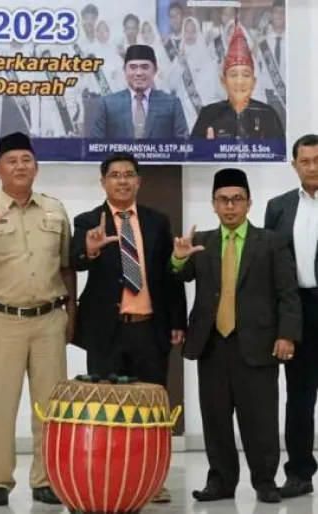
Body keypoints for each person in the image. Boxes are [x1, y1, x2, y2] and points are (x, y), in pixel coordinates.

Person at [0, 132, 76, 507]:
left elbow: (67, 265)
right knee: (0, 405)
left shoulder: (55, 209)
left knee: (51, 405)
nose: (20, 166)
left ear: (36, 167)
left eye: (27, 160)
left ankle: (46, 478)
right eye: (12, 161)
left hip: (49, 318)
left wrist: (71, 314)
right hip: (3, 320)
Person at [171, 168, 301, 504]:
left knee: (260, 417)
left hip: (258, 343)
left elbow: (288, 293)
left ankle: (265, 481)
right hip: (212, 343)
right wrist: (178, 259)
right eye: (223, 200)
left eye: (237, 200)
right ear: (213, 204)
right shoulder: (202, 242)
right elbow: (180, 276)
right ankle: (220, 481)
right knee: (215, 417)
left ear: (248, 203)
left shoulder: (271, 242)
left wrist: (287, 335)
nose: (230, 206)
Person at [69, 152, 187, 504]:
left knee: (151, 413)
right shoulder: (88, 220)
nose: (122, 181)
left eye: (128, 174)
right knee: (106, 411)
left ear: (138, 181)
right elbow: (73, 261)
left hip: (149, 329)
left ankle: (153, 480)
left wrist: (177, 320)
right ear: (103, 181)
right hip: (106, 332)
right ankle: (108, 479)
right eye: (115, 175)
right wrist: (89, 250)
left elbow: (169, 275)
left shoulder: (157, 221)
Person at [264, 134, 318, 498]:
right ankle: (299, 473)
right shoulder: (278, 207)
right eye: (305, 161)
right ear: (294, 165)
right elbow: (270, 267)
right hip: (298, 310)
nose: (312, 167)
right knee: (299, 397)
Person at [191, 22, 284, 140]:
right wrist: (209, 148)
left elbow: (278, 151)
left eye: (245, 75)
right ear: (223, 81)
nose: (239, 81)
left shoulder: (268, 114)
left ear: (254, 82)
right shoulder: (208, 114)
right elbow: (193, 152)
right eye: (233, 75)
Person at [88, 44, 189, 139]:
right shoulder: (107, 104)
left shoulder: (172, 104)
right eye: (133, 67)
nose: (139, 73)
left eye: (145, 67)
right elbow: (95, 146)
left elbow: (183, 145)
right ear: (124, 70)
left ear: (155, 70)